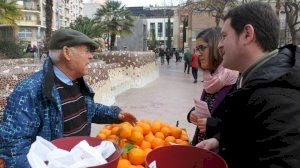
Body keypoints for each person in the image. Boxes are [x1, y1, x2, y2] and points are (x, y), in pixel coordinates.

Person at [0, 29, 137, 168]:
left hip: (79, 161)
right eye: (87, 50)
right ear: (67, 53)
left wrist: (116, 114)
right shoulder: (30, 90)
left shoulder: (77, 82)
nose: (91, 56)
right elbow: (12, 147)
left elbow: (88, 110)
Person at [196, 2, 300, 168]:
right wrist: (220, 141)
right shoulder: (257, 81)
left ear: (247, 34)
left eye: (224, 36)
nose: (220, 45)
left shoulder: (280, 98)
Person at [187, 27, 238, 146]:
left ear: (215, 47)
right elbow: (208, 109)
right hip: (202, 145)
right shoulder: (209, 77)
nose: (198, 53)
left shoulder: (234, 79)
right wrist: (192, 113)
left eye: (202, 48)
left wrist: (211, 124)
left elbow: (238, 125)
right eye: (197, 49)